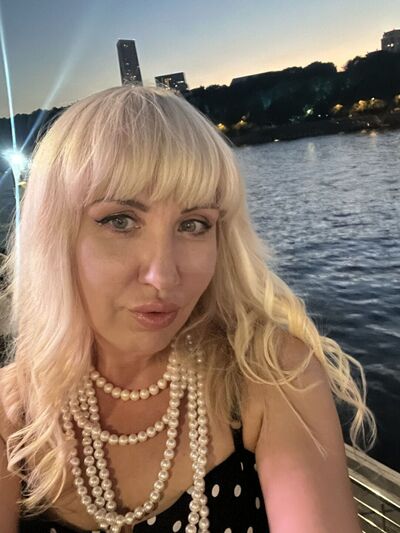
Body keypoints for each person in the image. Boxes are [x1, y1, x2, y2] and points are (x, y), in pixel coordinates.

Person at [0, 85, 376, 533]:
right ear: (54, 237)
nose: (163, 276)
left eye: (194, 224)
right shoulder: (11, 418)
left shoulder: (270, 377)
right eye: (120, 220)